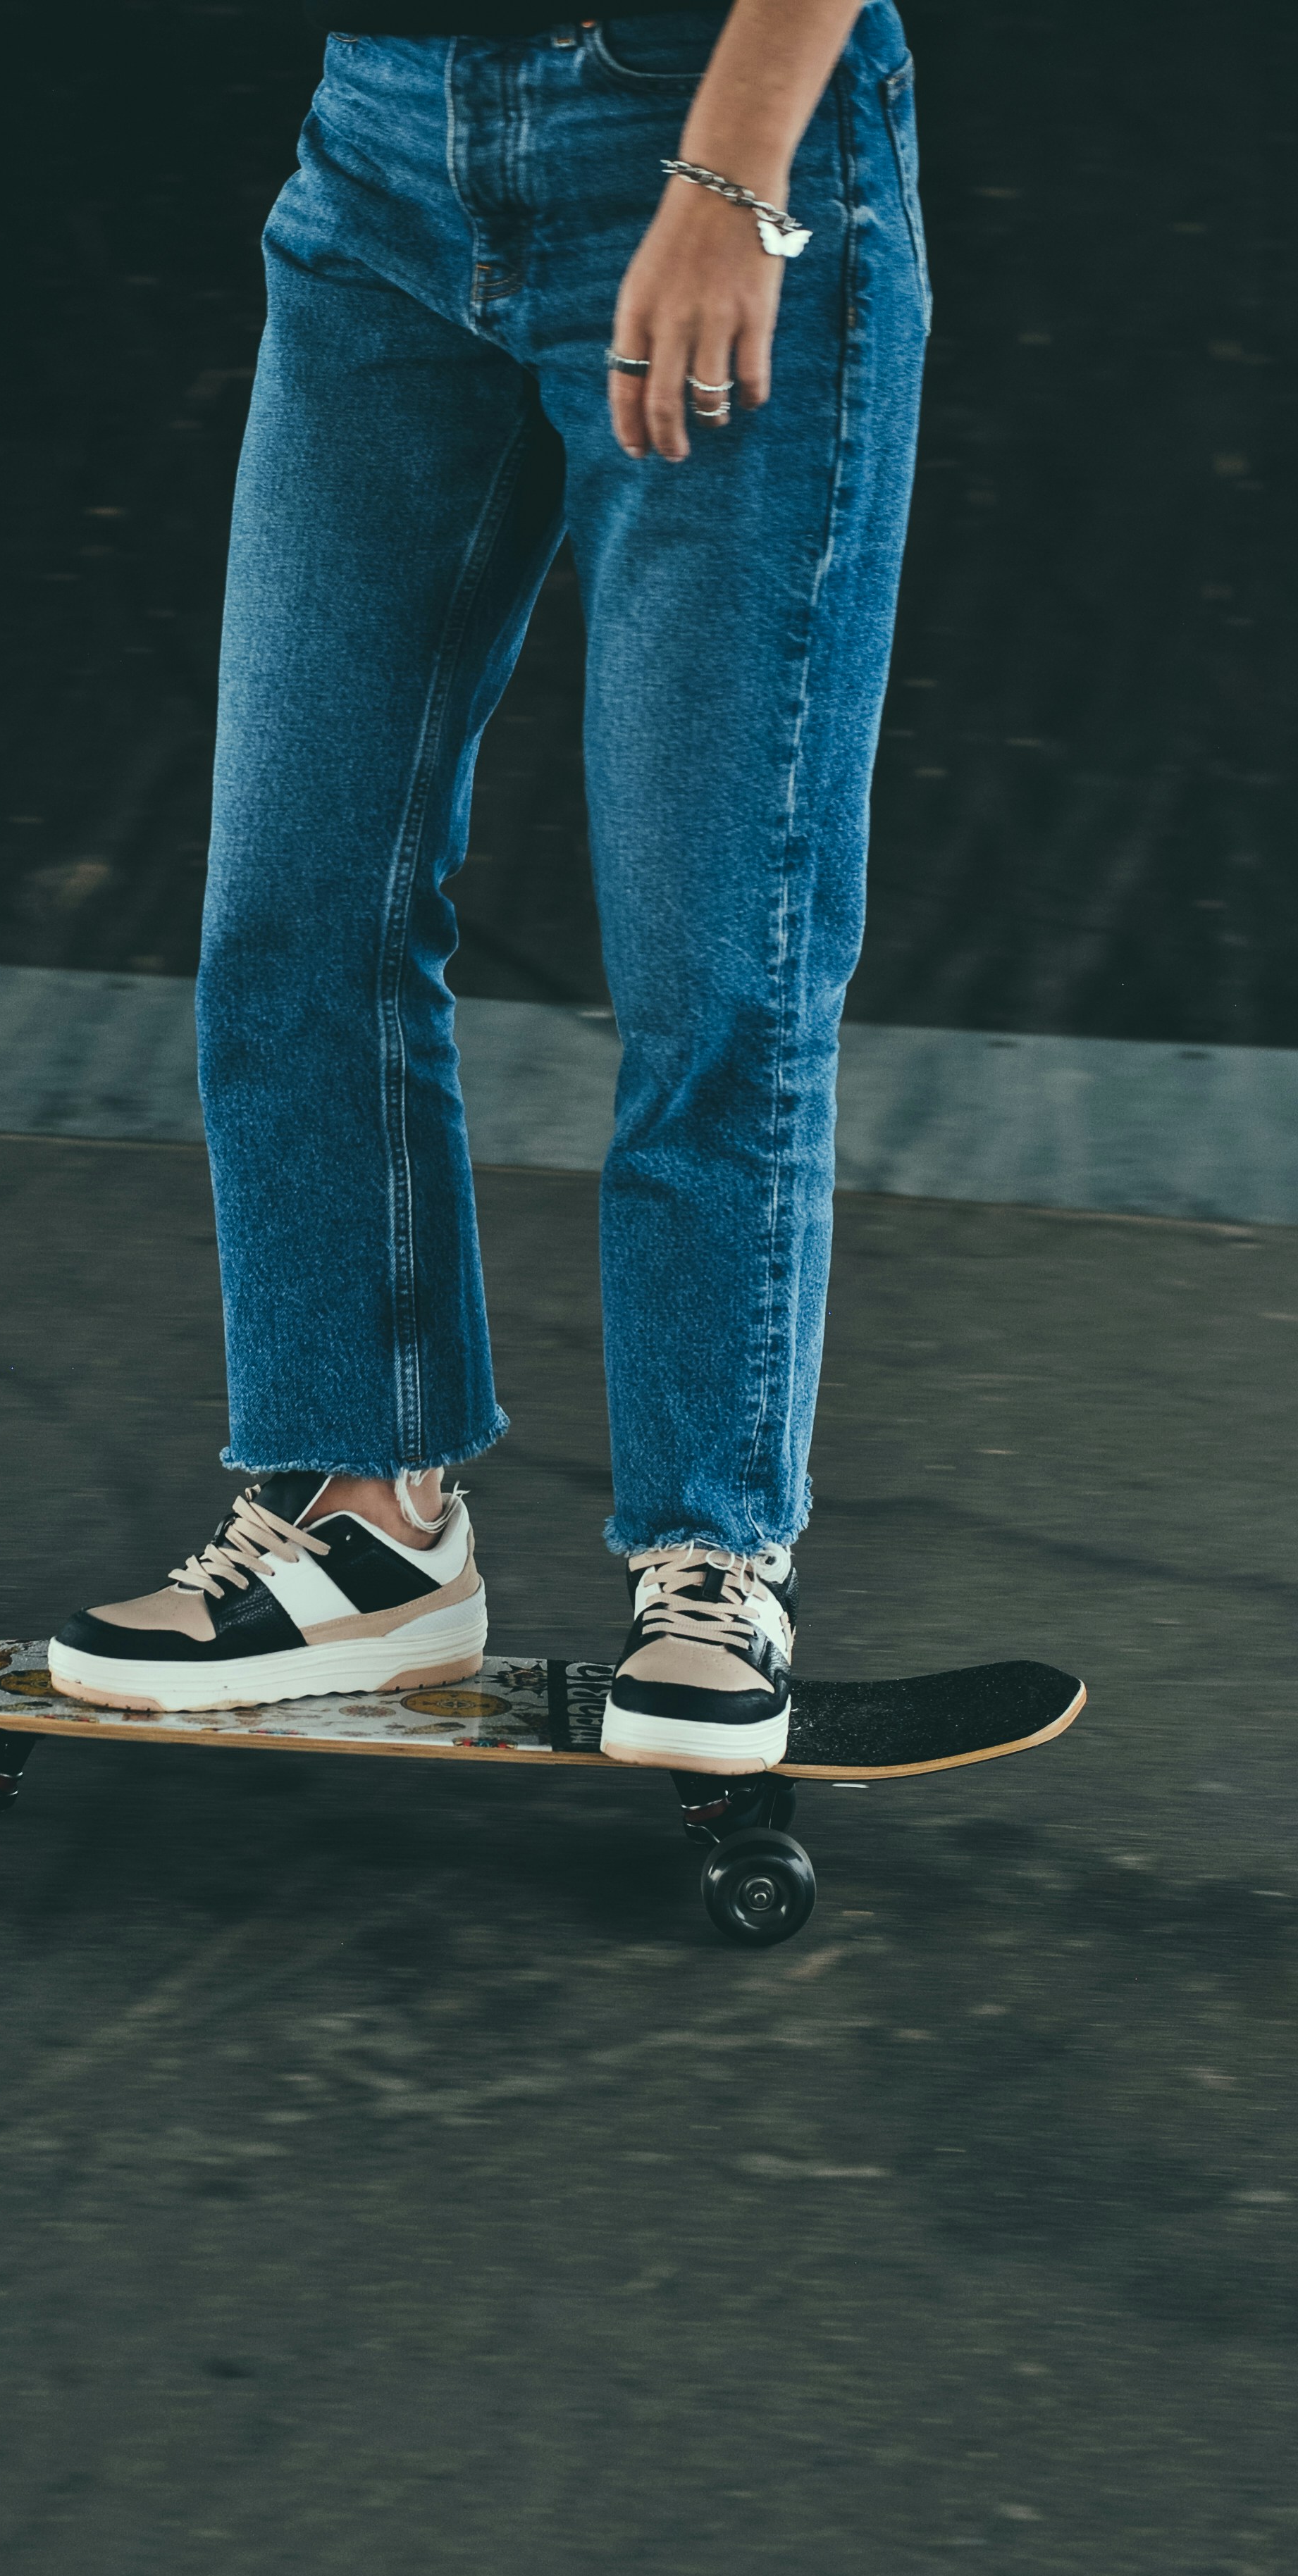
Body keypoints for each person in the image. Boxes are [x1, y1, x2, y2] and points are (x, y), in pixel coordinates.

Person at [51, 1, 928, 1773]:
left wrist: (736, 166)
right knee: (297, 906)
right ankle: (368, 1517)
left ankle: (711, 1555)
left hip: (695, 126)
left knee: (719, 939)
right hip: (383, 142)